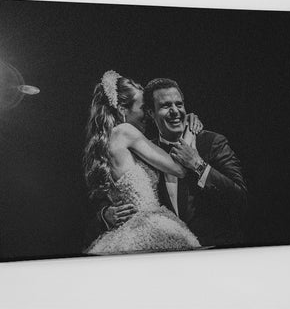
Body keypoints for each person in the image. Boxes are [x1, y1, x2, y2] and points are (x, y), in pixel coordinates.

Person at [83, 71, 201, 255]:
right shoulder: (125, 131)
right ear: (122, 109)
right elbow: (179, 169)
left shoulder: (107, 140)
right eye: (143, 107)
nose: (147, 113)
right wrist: (190, 127)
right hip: (148, 225)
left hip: (126, 232)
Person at [143, 78, 247, 247]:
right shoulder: (147, 151)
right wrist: (106, 214)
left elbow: (240, 199)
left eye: (179, 104)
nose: (175, 111)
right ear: (150, 113)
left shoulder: (213, 142)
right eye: (166, 105)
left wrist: (198, 164)